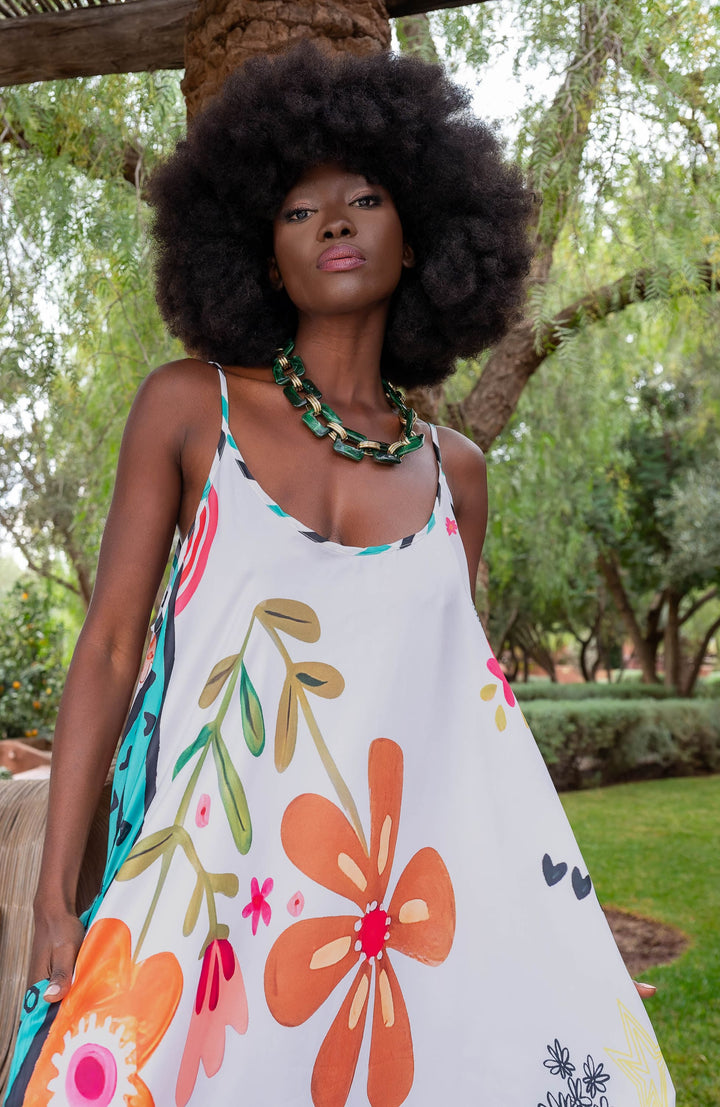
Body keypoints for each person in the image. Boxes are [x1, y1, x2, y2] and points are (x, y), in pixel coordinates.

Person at [4, 43, 673, 1107]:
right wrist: (53, 897)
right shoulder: (191, 407)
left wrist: (537, 929)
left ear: (420, 240)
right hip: (206, 888)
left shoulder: (458, 475)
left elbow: (447, 719)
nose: (333, 222)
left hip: (379, 920)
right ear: (266, 260)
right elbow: (113, 646)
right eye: (298, 210)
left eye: (365, 198)